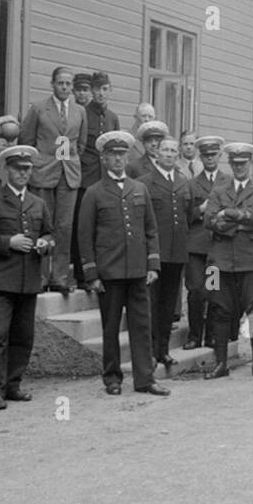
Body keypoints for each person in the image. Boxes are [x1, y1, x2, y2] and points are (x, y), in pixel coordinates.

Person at [77, 131, 170, 397]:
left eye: (122, 154)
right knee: (110, 327)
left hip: (138, 272)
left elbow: (151, 229)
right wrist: (91, 273)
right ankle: (112, 377)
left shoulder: (139, 188)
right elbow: (85, 237)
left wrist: (152, 265)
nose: (118, 159)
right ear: (104, 159)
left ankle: (145, 379)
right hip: (110, 272)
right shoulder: (94, 193)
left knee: (142, 326)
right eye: (113, 155)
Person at [0, 146, 54, 409]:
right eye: (18, 169)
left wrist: (43, 244)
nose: (22, 174)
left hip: (29, 279)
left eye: (27, 169)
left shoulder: (38, 203)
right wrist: (9, 242)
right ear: (7, 170)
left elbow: (52, 236)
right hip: (1, 280)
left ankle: (13, 385)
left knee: (24, 336)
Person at [204, 142, 253, 380]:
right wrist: (237, 222)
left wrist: (228, 214)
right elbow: (208, 221)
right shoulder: (218, 191)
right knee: (219, 310)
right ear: (230, 165)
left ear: (250, 164)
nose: (239, 168)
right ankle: (221, 363)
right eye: (235, 164)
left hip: (252, 261)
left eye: (243, 163)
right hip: (217, 263)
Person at [19, 66, 85, 294]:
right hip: (43, 173)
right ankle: (40, 276)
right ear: (52, 84)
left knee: (64, 227)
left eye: (68, 84)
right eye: (60, 83)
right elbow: (26, 141)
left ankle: (60, 277)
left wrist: (70, 162)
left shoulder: (79, 111)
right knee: (42, 225)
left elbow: (81, 144)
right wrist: (39, 164)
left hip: (69, 175)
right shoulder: (38, 109)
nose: (65, 87)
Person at [143, 136, 192, 367]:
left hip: (177, 253)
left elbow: (188, 216)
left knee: (168, 306)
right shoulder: (145, 182)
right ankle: (150, 353)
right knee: (152, 305)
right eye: (165, 150)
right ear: (157, 153)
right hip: (156, 254)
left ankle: (163, 350)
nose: (170, 154)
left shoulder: (183, 182)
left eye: (173, 150)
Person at [73, 71, 119, 288]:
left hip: (106, 181)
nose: (100, 93)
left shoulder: (112, 118)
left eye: (105, 89)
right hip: (85, 179)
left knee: (104, 228)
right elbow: (72, 146)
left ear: (110, 90)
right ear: (91, 91)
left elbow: (117, 152)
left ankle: (103, 272)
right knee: (83, 227)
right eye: (97, 89)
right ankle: (82, 275)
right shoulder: (81, 113)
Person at [184, 135, 228, 350]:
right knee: (195, 290)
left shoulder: (227, 182)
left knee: (214, 290)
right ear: (201, 157)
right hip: (196, 247)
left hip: (217, 246)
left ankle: (211, 335)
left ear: (219, 155)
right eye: (206, 155)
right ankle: (194, 335)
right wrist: (200, 210)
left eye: (213, 155)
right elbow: (184, 215)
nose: (210, 158)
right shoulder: (192, 184)